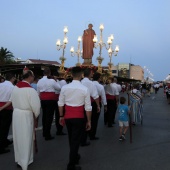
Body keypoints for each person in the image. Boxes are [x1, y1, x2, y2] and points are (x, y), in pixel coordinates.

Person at [0, 70, 41, 170]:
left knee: (18, 138)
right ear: (30, 77)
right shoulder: (31, 90)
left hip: (16, 114)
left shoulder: (16, 87)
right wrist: (36, 116)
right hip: (26, 115)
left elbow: (11, 100)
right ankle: (25, 161)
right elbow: (36, 107)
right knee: (26, 138)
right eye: (33, 76)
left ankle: (19, 159)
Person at [58, 67, 92, 170]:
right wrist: (89, 121)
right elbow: (88, 107)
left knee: (71, 138)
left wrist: (61, 116)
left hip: (68, 116)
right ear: (81, 75)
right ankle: (71, 164)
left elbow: (60, 104)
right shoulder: (85, 89)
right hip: (79, 117)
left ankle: (75, 156)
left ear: (71, 75)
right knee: (75, 140)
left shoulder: (64, 88)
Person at [37, 67, 61, 140]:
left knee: (44, 116)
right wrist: (56, 81)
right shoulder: (52, 81)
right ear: (50, 73)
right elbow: (59, 88)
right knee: (49, 117)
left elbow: (38, 92)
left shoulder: (39, 81)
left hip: (43, 99)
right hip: (51, 99)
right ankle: (47, 134)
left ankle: (44, 132)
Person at [81, 68, 100, 145]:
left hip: (81, 103)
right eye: (91, 73)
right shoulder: (91, 83)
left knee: (83, 120)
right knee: (93, 119)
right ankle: (91, 134)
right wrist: (98, 105)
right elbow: (95, 96)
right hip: (90, 103)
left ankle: (84, 136)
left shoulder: (81, 82)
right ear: (89, 74)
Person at [0, 73, 15, 154]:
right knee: (4, 128)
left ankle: (4, 141)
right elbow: (11, 100)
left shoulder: (0, 85)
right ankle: (1, 146)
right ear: (12, 78)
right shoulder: (12, 87)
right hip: (6, 108)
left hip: (1, 106)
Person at [91, 72, 107, 140]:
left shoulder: (90, 84)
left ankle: (87, 132)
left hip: (88, 102)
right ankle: (92, 135)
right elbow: (103, 97)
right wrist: (105, 105)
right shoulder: (100, 86)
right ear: (99, 78)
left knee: (88, 119)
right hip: (97, 103)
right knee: (95, 120)